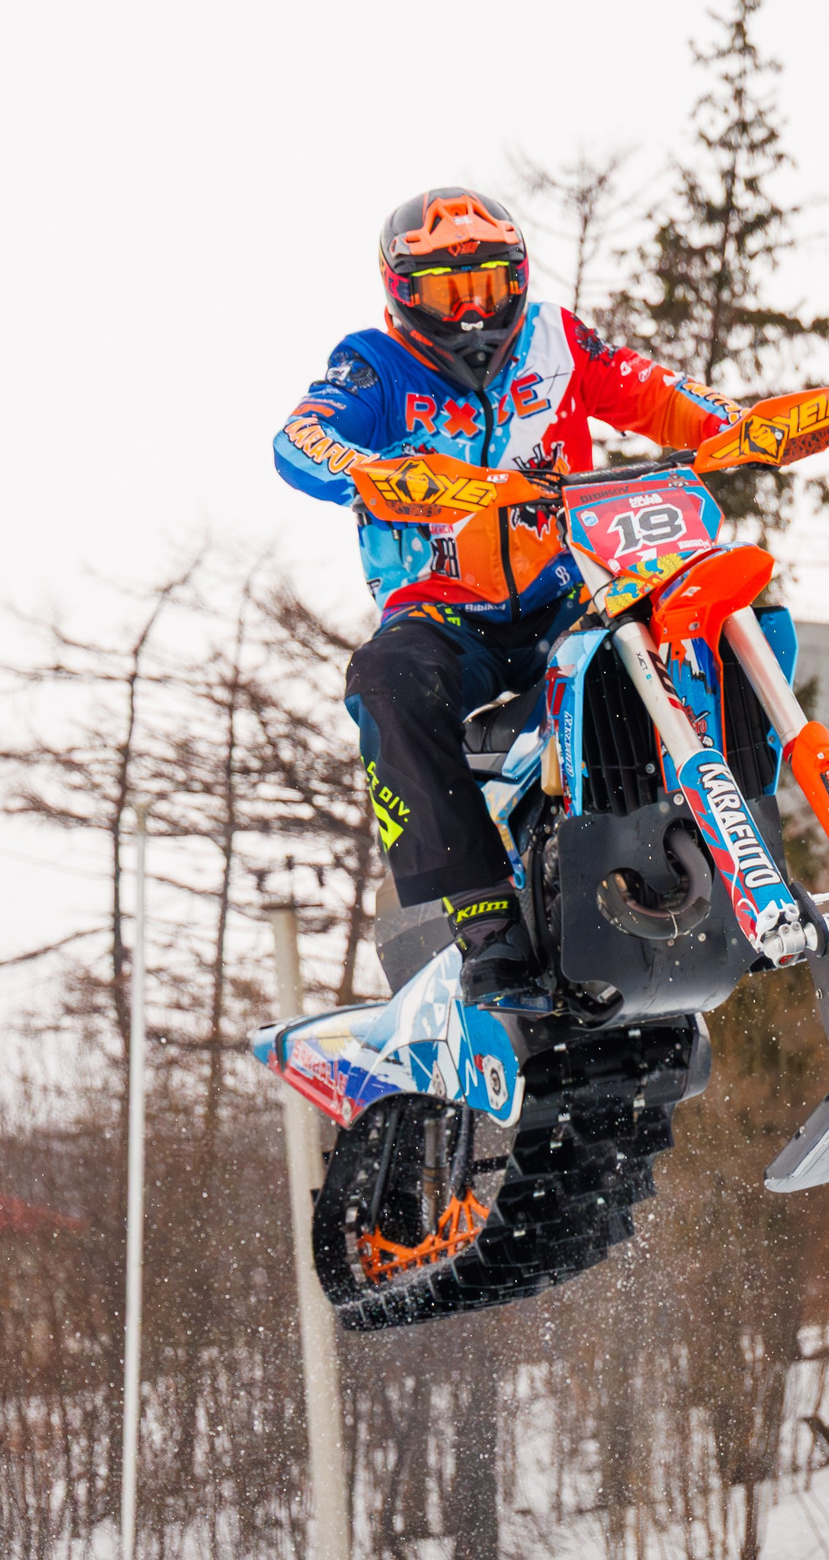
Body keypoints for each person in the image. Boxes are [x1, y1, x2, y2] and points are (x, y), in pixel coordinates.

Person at [274, 187, 744, 1003]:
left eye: (487, 286)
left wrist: (735, 424)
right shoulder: (374, 365)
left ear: (517, 280)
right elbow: (300, 437)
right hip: (447, 613)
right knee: (385, 680)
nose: (470, 314)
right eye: (446, 294)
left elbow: (652, 391)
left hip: (571, 584)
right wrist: (367, 470)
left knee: (724, 612)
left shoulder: (557, 341)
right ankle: (483, 917)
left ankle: (747, 827)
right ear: (400, 293)